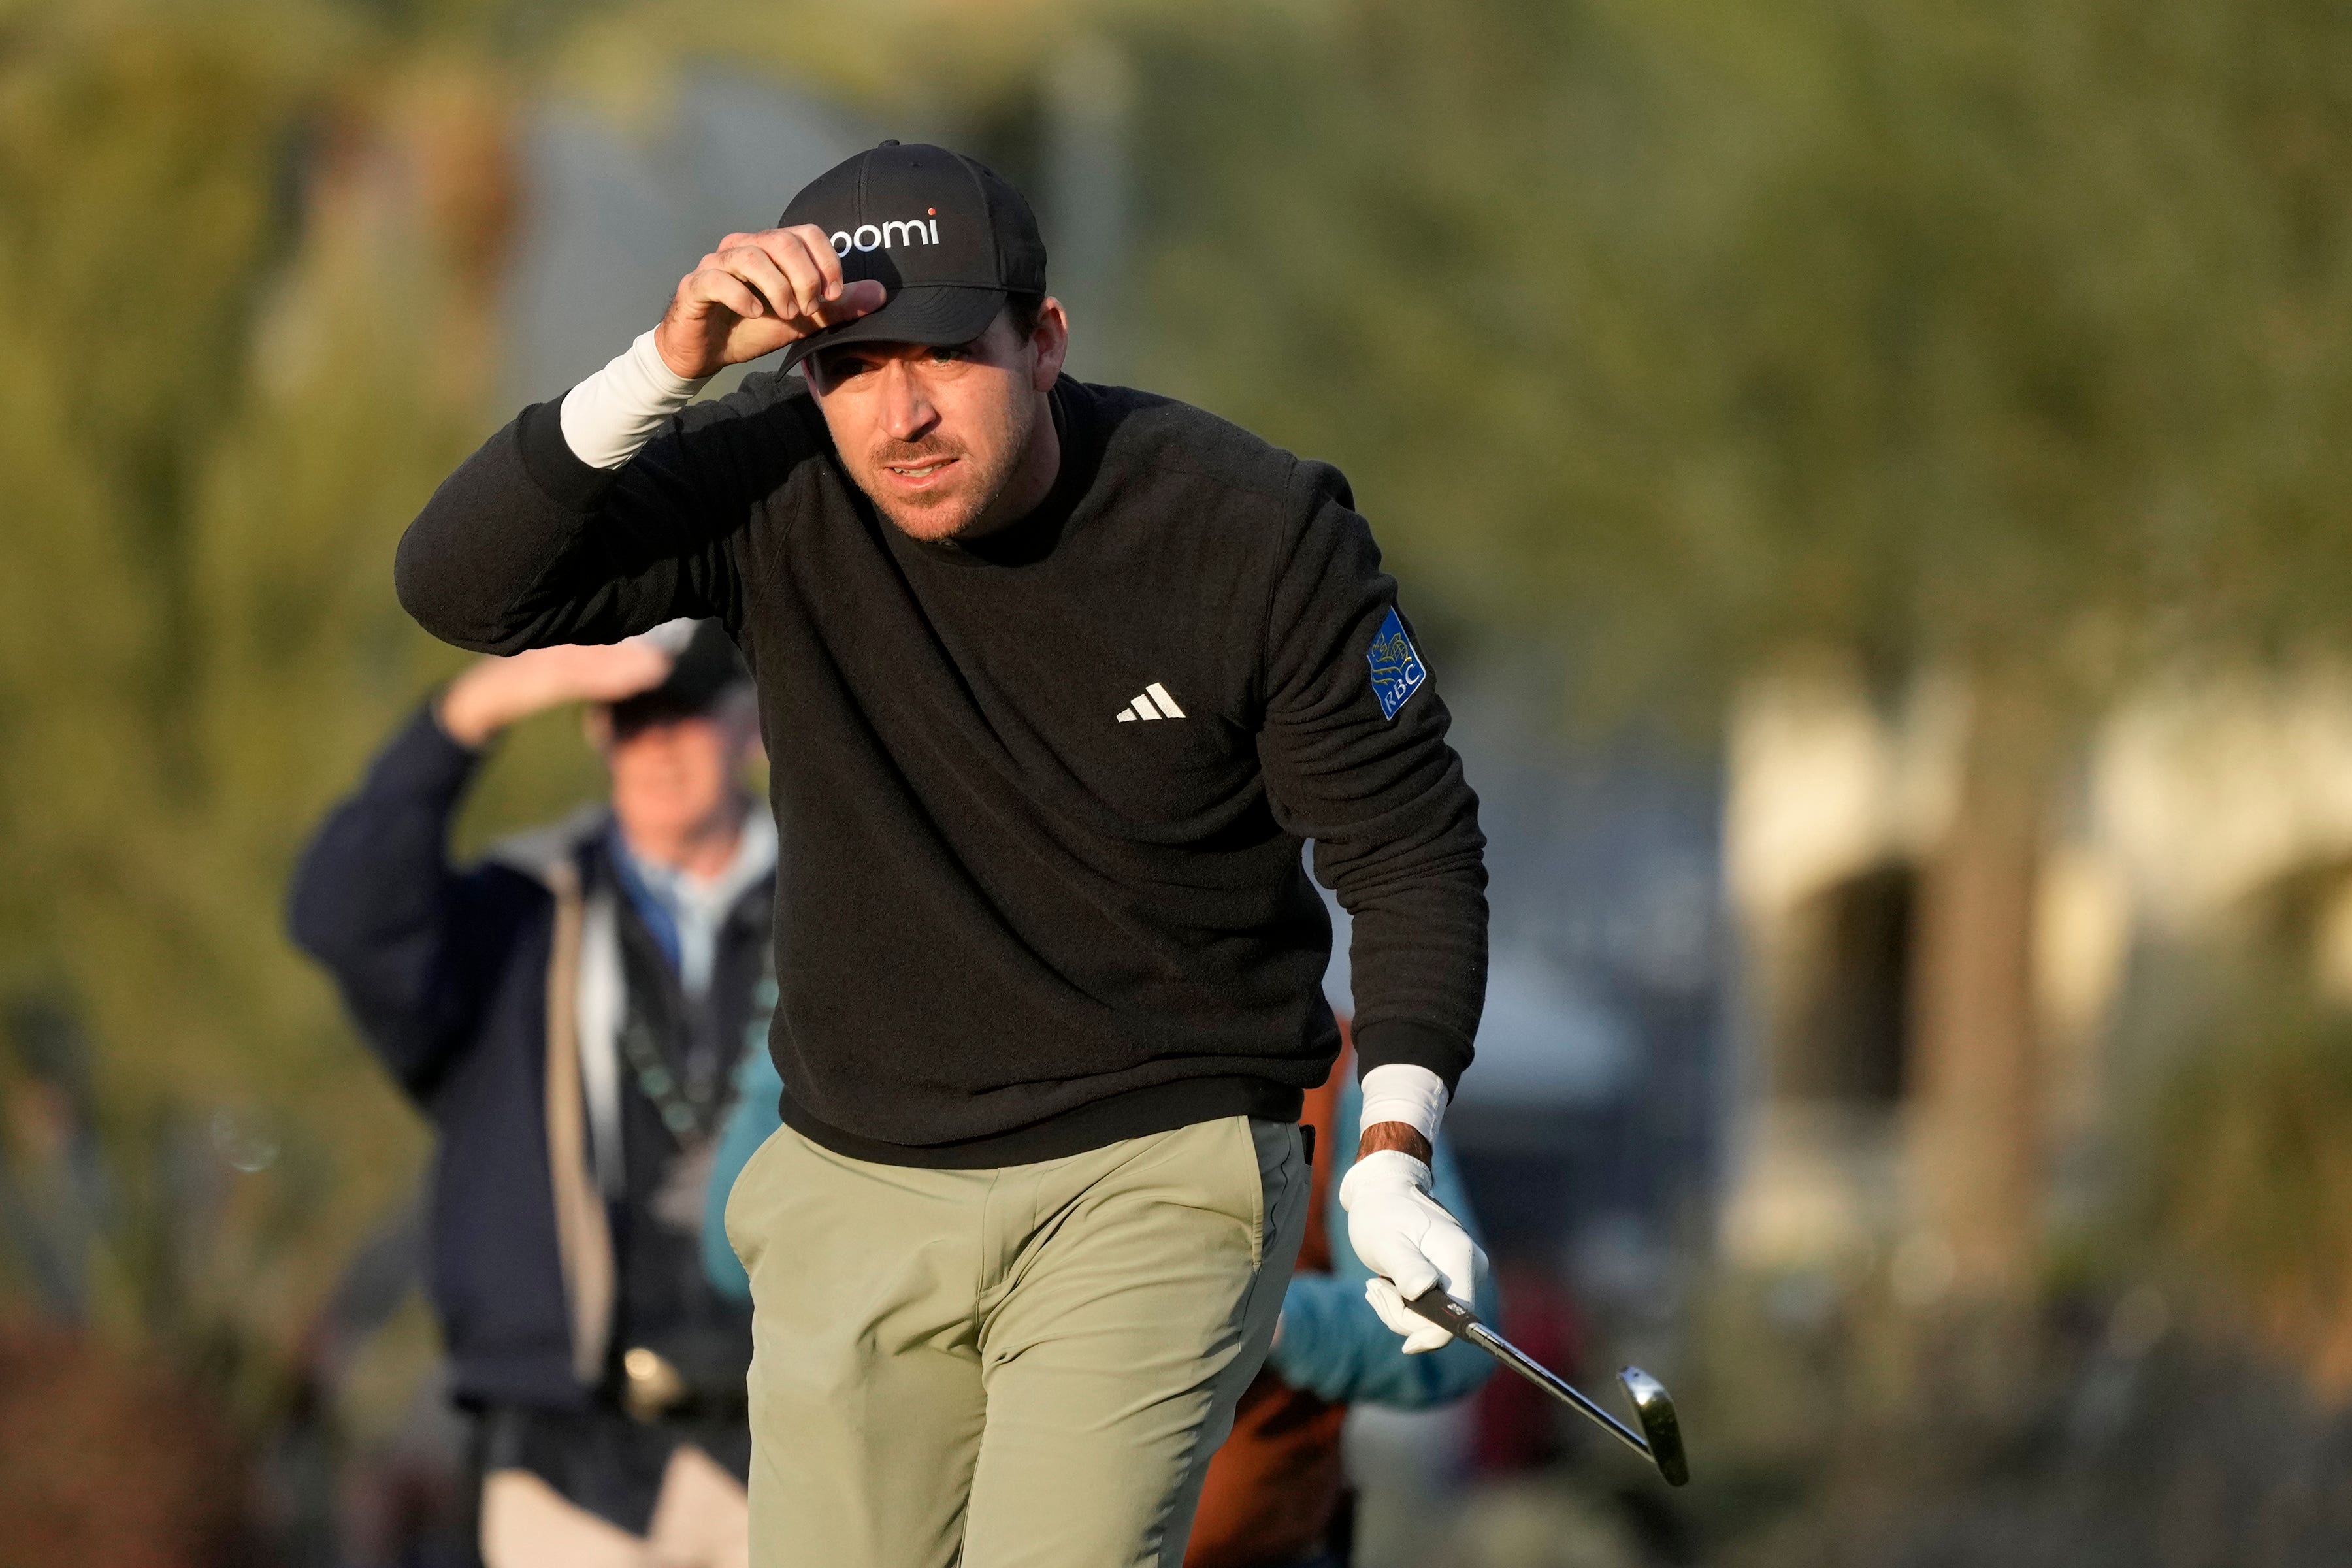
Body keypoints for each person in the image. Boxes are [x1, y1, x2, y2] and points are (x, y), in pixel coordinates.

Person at [393, 139, 1491, 1568]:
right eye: (849, 368)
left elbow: (1408, 846)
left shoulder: (1251, 530)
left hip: (1154, 1170)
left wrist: (1393, 1150)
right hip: (859, 1179)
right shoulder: (773, 488)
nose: (898, 413)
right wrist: (668, 365)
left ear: (1042, 342)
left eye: (944, 356)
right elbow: (461, 585)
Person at [289, 621, 772, 1568]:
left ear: (752, 724)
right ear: (594, 729)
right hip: (572, 1462)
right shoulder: (524, 914)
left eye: (686, 714)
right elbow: (343, 914)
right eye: (630, 718)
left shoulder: (845, 898)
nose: (659, 745)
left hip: (803, 1437)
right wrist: (474, 710)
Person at [699, 1020, 1496, 1568]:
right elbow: (743, 1241)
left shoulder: (1339, 1061)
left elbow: (1459, 1333)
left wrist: (1255, 1318)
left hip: (1256, 1546)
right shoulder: (892, 1003)